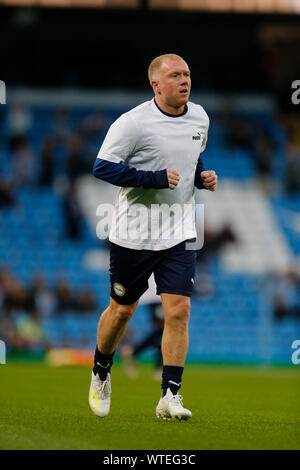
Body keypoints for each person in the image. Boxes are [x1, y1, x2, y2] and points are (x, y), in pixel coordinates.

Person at [89, 54, 218, 420]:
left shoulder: (200, 117)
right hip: (133, 235)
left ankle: (170, 396)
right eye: (175, 75)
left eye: (188, 74)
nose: (184, 80)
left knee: (179, 310)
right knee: (121, 312)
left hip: (178, 233)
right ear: (156, 84)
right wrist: (153, 178)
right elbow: (101, 166)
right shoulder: (133, 123)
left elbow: (192, 159)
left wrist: (202, 178)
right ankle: (101, 370)